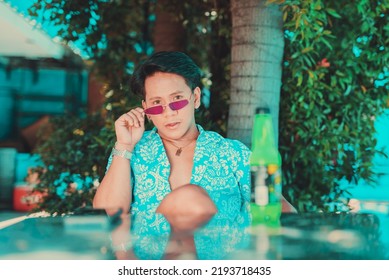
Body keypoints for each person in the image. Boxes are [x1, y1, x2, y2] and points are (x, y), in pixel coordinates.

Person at [93, 51, 252, 226]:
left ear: (196, 98)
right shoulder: (132, 152)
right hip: (148, 254)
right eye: (156, 103)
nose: (169, 112)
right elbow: (108, 211)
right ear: (146, 109)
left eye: (177, 99)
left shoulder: (233, 154)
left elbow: (276, 206)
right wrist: (124, 145)